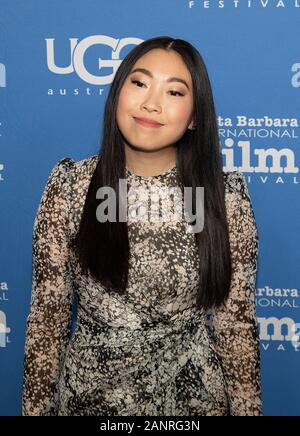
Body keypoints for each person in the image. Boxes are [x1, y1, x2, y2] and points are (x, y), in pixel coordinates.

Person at [22, 36, 262, 416]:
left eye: (175, 92)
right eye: (139, 83)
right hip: (90, 403)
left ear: (196, 115)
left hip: (193, 405)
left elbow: (236, 329)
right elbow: (46, 323)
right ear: (118, 92)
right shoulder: (71, 186)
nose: (151, 103)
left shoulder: (223, 196)